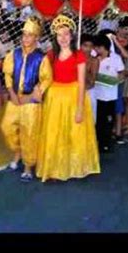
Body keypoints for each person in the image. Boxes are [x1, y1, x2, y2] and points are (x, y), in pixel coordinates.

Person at [36, 14, 100, 181]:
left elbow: (81, 83)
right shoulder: (50, 55)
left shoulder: (79, 55)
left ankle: (73, 167)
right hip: (55, 98)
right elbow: (44, 76)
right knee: (55, 133)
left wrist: (80, 108)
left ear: (71, 36)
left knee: (73, 133)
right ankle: (55, 168)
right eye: (59, 34)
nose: (63, 38)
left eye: (66, 34)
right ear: (55, 37)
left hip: (73, 97)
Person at [0, 16, 52, 182]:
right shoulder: (13, 54)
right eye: (24, 34)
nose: (26, 38)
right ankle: (18, 152)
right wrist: (12, 93)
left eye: (30, 35)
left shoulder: (41, 58)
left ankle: (28, 166)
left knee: (29, 134)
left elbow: (47, 79)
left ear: (36, 38)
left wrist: (36, 93)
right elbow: (7, 74)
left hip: (31, 103)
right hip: (15, 100)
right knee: (6, 127)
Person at [93, 34, 125, 153]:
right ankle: (98, 142)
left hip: (110, 95)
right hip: (96, 95)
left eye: (98, 47)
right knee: (98, 120)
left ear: (104, 47)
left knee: (108, 121)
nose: (95, 50)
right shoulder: (93, 57)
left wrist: (114, 81)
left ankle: (106, 143)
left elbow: (122, 74)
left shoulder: (115, 58)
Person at [80, 33, 99, 124]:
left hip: (88, 92)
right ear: (79, 45)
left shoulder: (94, 61)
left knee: (88, 121)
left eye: (91, 46)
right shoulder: (73, 57)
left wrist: (83, 65)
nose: (88, 49)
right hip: (73, 92)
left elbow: (92, 82)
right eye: (85, 46)